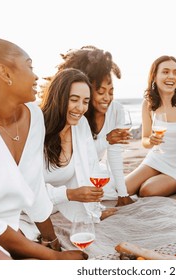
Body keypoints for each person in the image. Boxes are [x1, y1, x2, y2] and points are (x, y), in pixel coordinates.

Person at [0, 9, 86, 259]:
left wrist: (51, 240)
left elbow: (34, 187)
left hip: (13, 230)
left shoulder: (33, 116)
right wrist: (55, 258)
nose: (36, 75)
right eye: (29, 66)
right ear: (5, 73)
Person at [55, 46, 134, 207]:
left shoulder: (116, 110)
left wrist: (123, 194)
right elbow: (79, 158)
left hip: (91, 171)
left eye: (111, 92)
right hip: (69, 173)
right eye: (101, 91)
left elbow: (114, 154)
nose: (107, 98)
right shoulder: (75, 115)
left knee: (112, 188)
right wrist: (107, 140)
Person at [38, 68, 115, 224]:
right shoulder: (35, 128)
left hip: (62, 207)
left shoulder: (81, 125)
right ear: (58, 97)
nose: (80, 108)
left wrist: (95, 211)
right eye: (73, 99)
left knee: (113, 184)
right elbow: (26, 190)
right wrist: (70, 194)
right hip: (30, 210)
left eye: (85, 101)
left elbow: (90, 168)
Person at [125, 55, 176, 203]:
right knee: (123, 188)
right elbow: (145, 141)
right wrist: (150, 141)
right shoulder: (148, 104)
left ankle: (170, 181)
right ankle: (156, 178)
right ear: (154, 76)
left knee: (147, 191)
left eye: (175, 72)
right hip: (156, 159)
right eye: (165, 72)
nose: (171, 76)